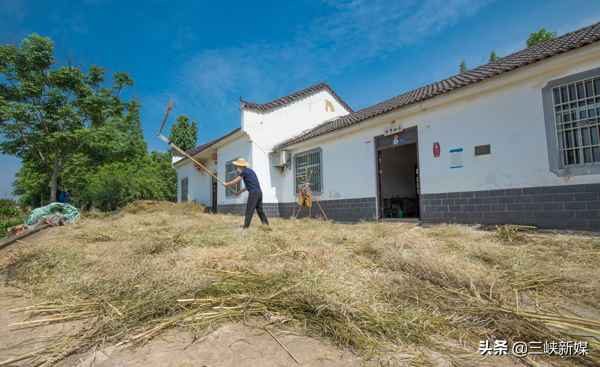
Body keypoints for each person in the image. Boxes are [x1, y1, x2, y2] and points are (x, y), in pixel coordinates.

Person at [222, 158, 269, 229]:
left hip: (253, 193)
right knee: (260, 210)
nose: (237, 167)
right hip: (259, 193)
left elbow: (235, 181)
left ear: (241, 166)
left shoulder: (244, 172)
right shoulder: (250, 171)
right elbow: (248, 186)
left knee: (249, 210)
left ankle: (246, 227)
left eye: (238, 166)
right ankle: (266, 225)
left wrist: (227, 184)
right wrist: (239, 192)